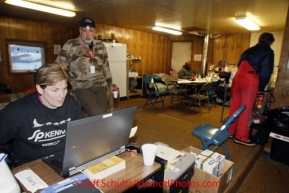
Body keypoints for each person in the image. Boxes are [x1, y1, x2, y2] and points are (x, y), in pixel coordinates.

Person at [0, 63, 84, 165]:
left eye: (64, 88)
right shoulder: (16, 112)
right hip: (32, 164)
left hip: (66, 158)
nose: (61, 95)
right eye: (55, 90)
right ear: (40, 88)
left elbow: (81, 132)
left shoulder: (71, 103)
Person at [55, 17, 117, 116]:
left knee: (104, 114)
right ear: (80, 30)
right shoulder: (71, 44)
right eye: (84, 31)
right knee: (96, 114)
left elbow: (106, 66)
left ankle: (101, 131)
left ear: (94, 31)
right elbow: (59, 66)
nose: (88, 34)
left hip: (100, 85)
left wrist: (110, 84)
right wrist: (60, 84)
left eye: (91, 31)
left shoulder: (100, 45)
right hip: (81, 86)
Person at [228, 32, 275, 146]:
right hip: (249, 79)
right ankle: (241, 137)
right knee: (246, 108)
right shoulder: (268, 51)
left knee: (234, 106)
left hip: (237, 77)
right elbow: (266, 71)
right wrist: (260, 87)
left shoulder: (248, 50)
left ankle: (229, 131)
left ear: (259, 39)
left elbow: (240, 64)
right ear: (270, 42)